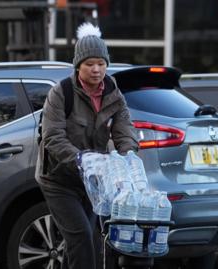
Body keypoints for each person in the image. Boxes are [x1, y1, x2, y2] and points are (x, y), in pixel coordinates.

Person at [35, 22, 138, 269]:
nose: (96, 70)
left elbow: (124, 129)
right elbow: (53, 137)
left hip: (93, 182)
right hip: (59, 180)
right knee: (80, 235)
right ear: (78, 65)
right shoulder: (61, 93)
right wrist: (82, 159)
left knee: (87, 240)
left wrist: (130, 155)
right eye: (89, 64)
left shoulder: (113, 92)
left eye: (101, 64)